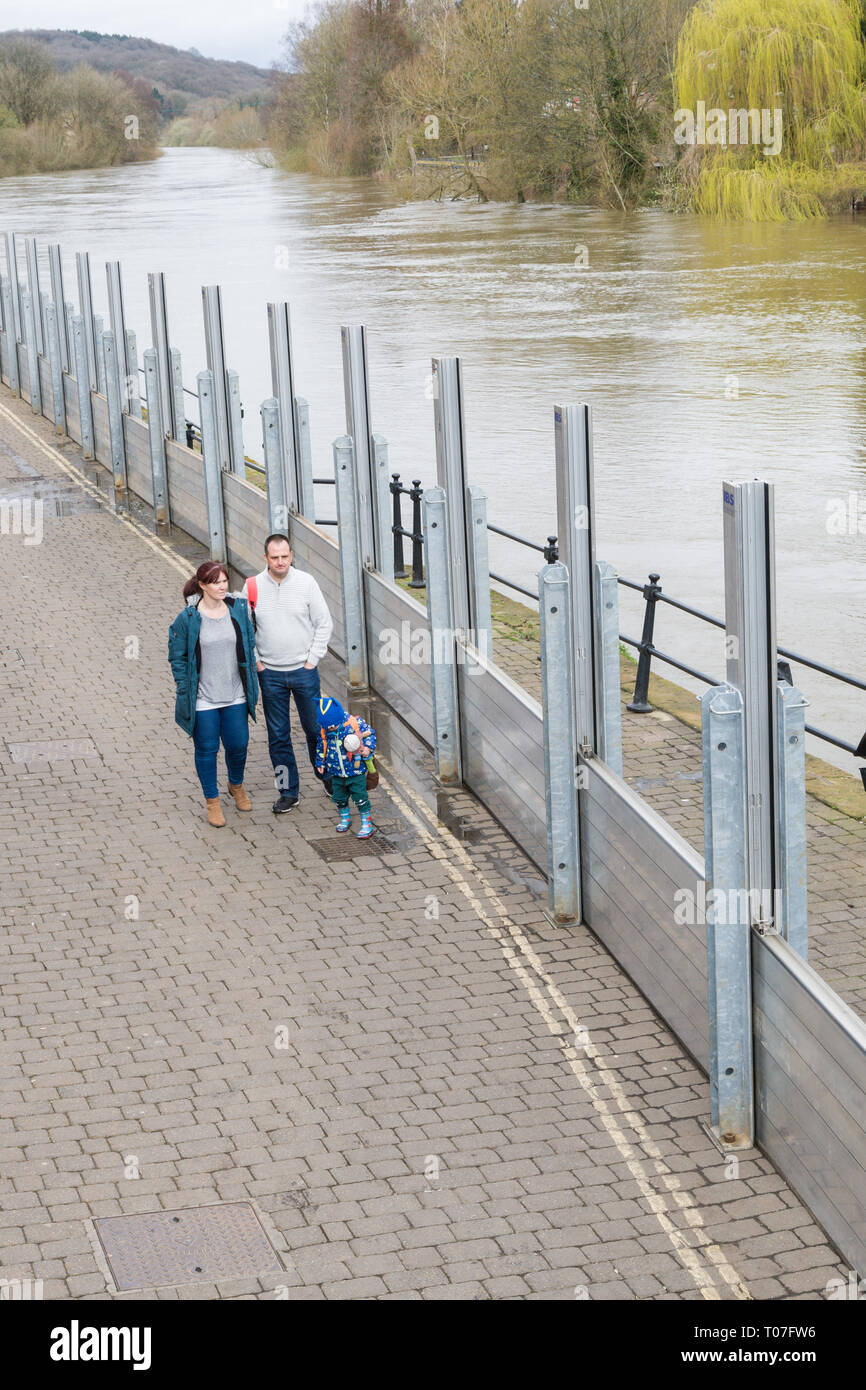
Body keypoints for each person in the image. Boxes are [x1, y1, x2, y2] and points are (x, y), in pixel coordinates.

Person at [245, 533, 333, 814]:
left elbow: (324, 624)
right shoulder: (251, 587)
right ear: (266, 558)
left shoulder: (307, 583)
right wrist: (258, 662)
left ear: (291, 555)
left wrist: (311, 660)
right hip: (269, 674)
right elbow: (245, 631)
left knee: (315, 731)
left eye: (285, 556)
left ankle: (329, 779)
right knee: (278, 736)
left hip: (304, 673)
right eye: (275, 557)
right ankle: (288, 791)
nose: (280, 562)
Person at [168, 561, 259, 828]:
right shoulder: (188, 618)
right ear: (202, 585)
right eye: (215, 582)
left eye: (224, 581)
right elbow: (177, 657)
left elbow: (250, 642)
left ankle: (236, 785)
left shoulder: (238, 610)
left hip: (235, 695)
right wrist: (185, 688)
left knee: (238, 745)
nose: (221, 586)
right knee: (206, 750)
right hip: (203, 699)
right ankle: (212, 802)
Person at [315, 696, 376, 839]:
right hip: (336, 772)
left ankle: (366, 822)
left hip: (356, 771)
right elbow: (321, 745)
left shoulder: (355, 723)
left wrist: (368, 748)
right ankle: (345, 817)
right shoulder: (325, 730)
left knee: (360, 797)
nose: (331, 728)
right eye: (327, 726)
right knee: (339, 797)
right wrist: (320, 762)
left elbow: (370, 734)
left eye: (333, 725)